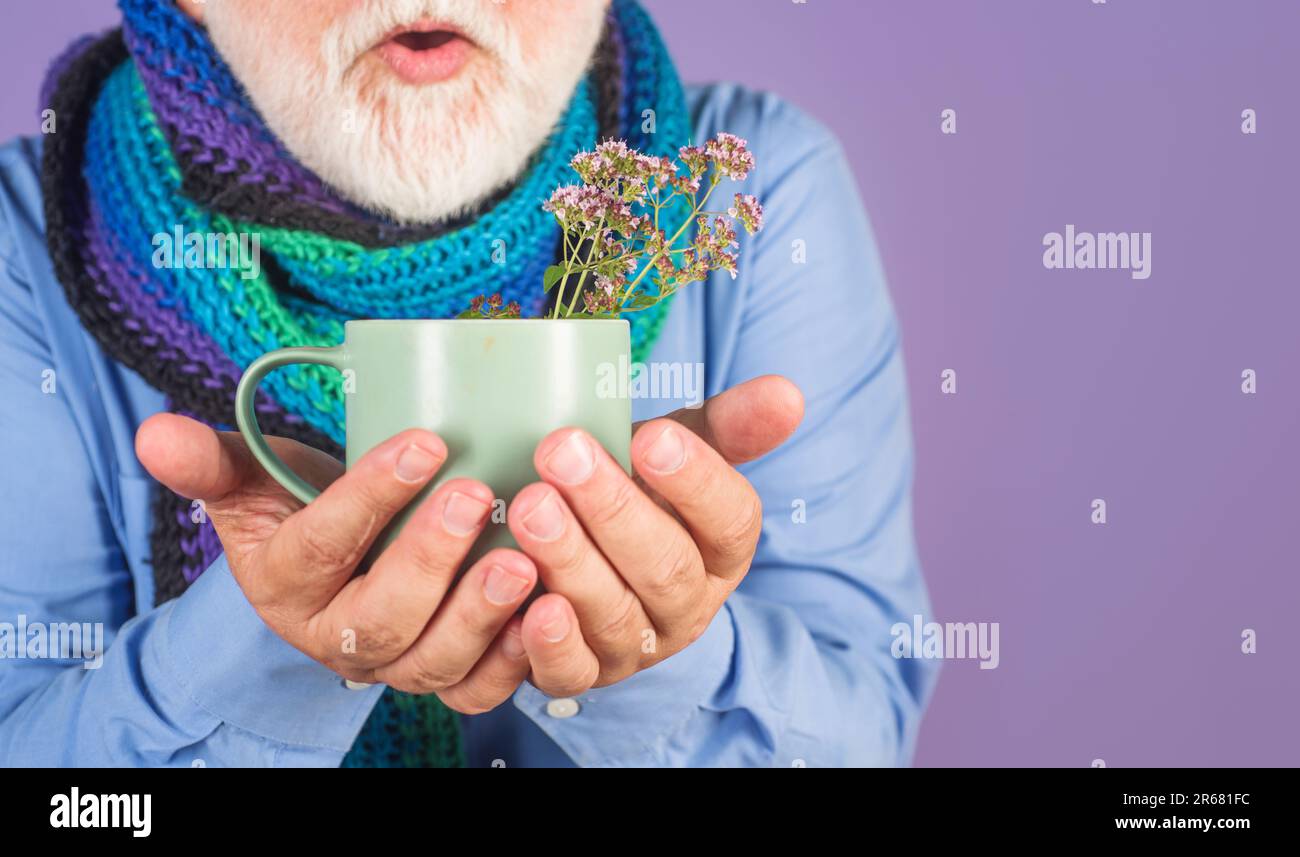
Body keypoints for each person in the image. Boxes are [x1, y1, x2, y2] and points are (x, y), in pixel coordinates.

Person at [0, 0, 936, 767]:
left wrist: (660, 652)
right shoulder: (23, 241)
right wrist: (263, 644)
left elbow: (862, 740)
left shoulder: (756, 192)